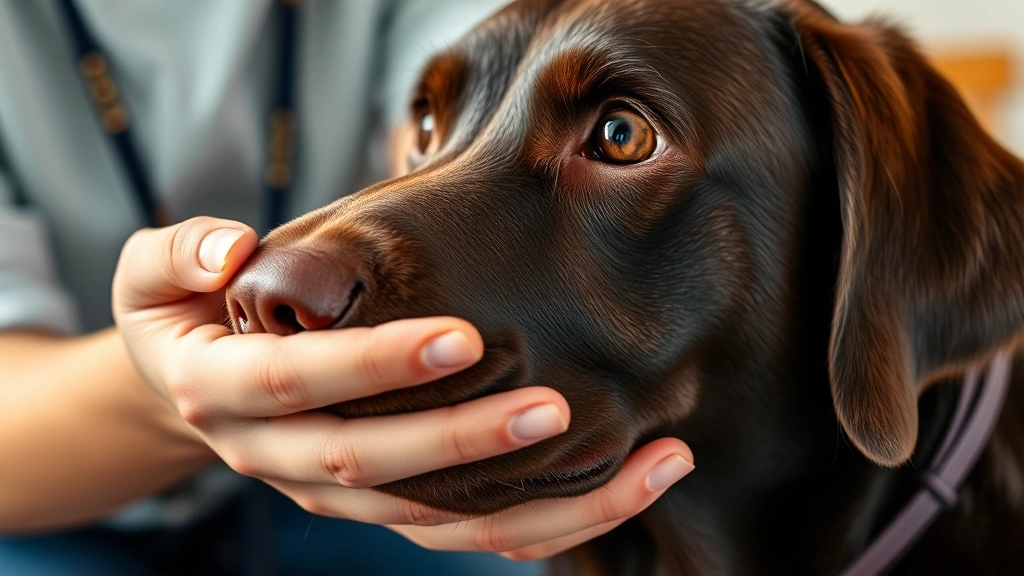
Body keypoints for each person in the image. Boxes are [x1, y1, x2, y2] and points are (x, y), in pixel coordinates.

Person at [0, 1, 695, 574]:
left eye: (620, 136)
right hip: (50, 497)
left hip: (356, 468)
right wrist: (168, 393)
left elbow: (508, 81)